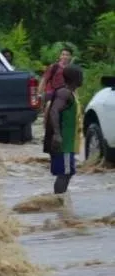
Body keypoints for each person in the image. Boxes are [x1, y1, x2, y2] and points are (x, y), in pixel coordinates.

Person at [43, 64, 83, 194]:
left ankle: (59, 204)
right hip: (63, 143)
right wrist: (57, 134)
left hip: (68, 143)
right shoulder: (64, 93)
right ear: (74, 78)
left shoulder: (70, 93)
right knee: (65, 173)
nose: (83, 78)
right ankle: (58, 203)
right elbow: (54, 111)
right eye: (81, 75)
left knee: (67, 172)